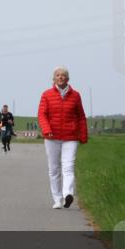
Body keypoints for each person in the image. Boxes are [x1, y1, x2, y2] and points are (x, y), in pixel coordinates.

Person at [38, 66, 88, 209]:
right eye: (58, 75)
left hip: (70, 137)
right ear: (54, 79)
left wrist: (83, 135)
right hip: (51, 137)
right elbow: (42, 114)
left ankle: (68, 195)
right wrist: (46, 130)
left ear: (67, 78)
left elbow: (81, 117)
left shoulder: (76, 95)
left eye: (63, 75)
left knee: (68, 166)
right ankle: (57, 199)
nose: (60, 77)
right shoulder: (46, 95)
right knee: (54, 169)